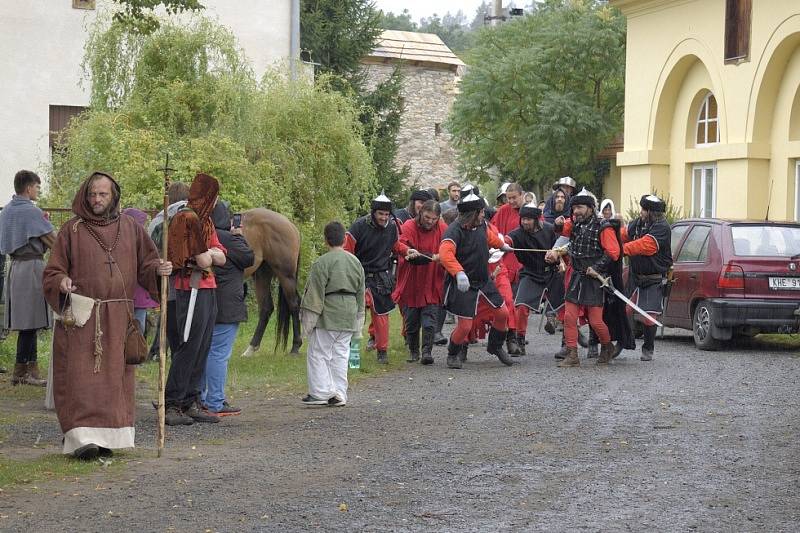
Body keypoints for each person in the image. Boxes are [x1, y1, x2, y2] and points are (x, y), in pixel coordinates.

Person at [42, 172, 172, 459]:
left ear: (114, 196)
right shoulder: (71, 230)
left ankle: (110, 436)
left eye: (103, 194)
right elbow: (53, 271)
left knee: (115, 379)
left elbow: (148, 264)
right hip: (82, 316)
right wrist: (61, 281)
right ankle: (81, 439)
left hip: (118, 318)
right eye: (92, 194)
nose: (97, 199)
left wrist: (159, 271)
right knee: (79, 377)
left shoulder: (130, 227)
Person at [164, 173, 227, 426]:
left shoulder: (206, 221)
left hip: (208, 286)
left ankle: (190, 400)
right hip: (189, 288)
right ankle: (172, 403)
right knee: (188, 345)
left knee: (203, 346)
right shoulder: (186, 219)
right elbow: (203, 260)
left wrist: (211, 254)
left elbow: (222, 256)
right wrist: (210, 255)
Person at [438, 192, 515, 369]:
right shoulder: (454, 231)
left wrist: (501, 245)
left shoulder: (481, 225)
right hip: (464, 284)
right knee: (465, 326)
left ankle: (495, 346)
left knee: (503, 313)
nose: (483, 215)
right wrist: (458, 273)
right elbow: (445, 254)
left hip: (483, 279)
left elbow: (489, 237)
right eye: (481, 212)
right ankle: (452, 353)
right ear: (473, 213)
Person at [546, 189, 620, 367]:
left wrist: (596, 268)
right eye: (574, 209)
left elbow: (613, 253)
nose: (576, 211)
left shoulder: (604, 226)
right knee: (569, 317)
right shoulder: (575, 223)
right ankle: (572, 355)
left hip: (594, 279)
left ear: (590, 208)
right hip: (576, 276)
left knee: (595, 321)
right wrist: (557, 224)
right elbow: (562, 228)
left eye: (579, 208)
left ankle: (607, 346)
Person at [344, 193, 414, 364]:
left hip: (381, 276)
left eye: (386, 214)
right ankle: (352, 356)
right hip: (358, 275)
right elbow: (347, 251)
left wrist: (407, 251)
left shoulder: (391, 227)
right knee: (354, 317)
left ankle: (382, 352)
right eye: (380, 214)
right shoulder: (359, 226)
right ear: (373, 212)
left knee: (381, 316)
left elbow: (395, 245)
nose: (383, 218)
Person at [300, 221, 365, 406]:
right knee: (341, 354)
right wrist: (359, 318)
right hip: (349, 313)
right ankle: (339, 393)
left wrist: (307, 323)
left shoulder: (322, 263)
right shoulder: (355, 262)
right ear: (345, 238)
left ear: (325, 240)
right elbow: (361, 292)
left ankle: (320, 393)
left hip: (329, 313)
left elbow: (314, 295)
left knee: (319, 353)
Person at [0, 170, 55, 386]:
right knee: (30, 321)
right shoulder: (31, 212)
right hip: (32, 267)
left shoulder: (6, 211)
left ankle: (23, 369)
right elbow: (54, 240)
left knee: (27, 322)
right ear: (29, 188)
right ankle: (25, 371)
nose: (38, 191)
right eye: (37, 187)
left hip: (15, 267)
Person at [200, 201, 254, 416]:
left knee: (205, 352)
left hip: (206, 301)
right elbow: (248, 258)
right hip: (227, 305)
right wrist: (239, 235)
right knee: (219, 354)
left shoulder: (202, 236)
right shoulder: (230, 239)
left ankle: (201, 398)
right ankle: (215, 401)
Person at [392, 200, 447, 365]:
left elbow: (449, 245)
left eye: (434, 218)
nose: (430, 221)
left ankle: (426, 352)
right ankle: (414, 351)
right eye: (427, 217)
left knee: (430, 319)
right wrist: (407, 250)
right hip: (411, 280)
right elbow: (399, 244)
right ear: (420, 213)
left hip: (431, 279)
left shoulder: (442, 229)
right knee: (412, 320)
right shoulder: (409, 226)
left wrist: (442, 255)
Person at [621, 195, 672, 361]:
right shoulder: (638, 223)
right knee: (625, 310)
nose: (641, 212)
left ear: (651, 212)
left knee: (649, 316)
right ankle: (624, 341)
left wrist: (621, 249)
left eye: (644, 209)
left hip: (653, 278)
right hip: (635, 276)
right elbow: (623, 234)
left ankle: (648, 348)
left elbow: (646, 245)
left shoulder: (663, 227)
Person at [508, 203, 558, 356]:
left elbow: (561, 247)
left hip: (552, 273)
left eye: (529, 219)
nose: (525, 222)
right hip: (530, 274)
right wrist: (501, 243)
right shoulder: (517, 234)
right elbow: (507, 240)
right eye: (523, 219)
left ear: (537, 219)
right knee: (521, 306)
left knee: (565, 306)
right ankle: (520, 341)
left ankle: (568, 345)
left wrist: (555, 255)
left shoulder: (550, 229)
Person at [147, 181, 190, 360]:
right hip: (183, 282)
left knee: (170, 321)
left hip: (166, 281)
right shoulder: (187, 217)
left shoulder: (158, 220)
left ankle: (162, 351)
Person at [489, 182, 528, 355]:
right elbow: (494, 232)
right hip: (505, 261)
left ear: (522, 195)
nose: (511, 201)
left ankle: (519, 337)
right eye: (508, 198)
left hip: (523, 263)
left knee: (521, 305)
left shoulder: (530, 212)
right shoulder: (503, 211)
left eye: (514, 198)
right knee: (508, 300)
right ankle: (510, 337)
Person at [121, 208, 159, 333]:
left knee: (137, 330)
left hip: (138, 293)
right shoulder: (121, 242)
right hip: (125, 292)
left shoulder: (141, 241)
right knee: (133, 328)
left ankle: (136, 351)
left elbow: (148, 264)